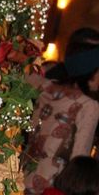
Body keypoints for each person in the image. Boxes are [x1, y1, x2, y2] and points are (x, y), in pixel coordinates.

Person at [22, 28, 99, 195]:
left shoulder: (43, 87)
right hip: (53, 188)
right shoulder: (88, 106)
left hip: (23, 180)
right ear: (91, 71)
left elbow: (25, 76)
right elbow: (79, 168)